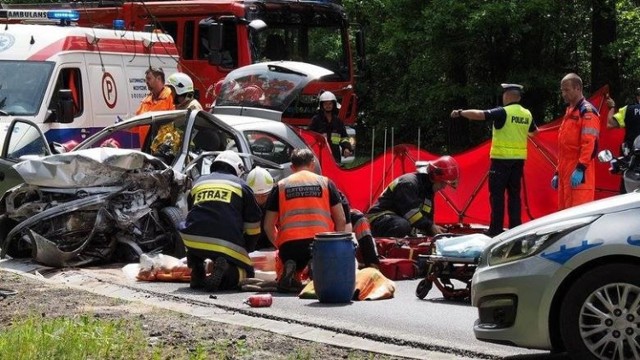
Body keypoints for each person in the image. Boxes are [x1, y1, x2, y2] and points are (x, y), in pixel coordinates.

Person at [450, 83, 535, 237]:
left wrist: (461, 112)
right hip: (518, 162)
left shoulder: (504, 112)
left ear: (508, 96)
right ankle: (516, 228)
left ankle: (496, 230)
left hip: (501, 160)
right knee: (514, 196)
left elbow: (480, 115)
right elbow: (534, 132)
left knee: (497, 195)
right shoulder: (527, 114)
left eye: (504, 94)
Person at [263, 148, 346, 292]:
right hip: (320, 244)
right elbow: (341, 220)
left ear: (292, 167)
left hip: (289, 246)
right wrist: (334, 247)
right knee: (322, 267)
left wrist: (280, 245)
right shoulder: (326, 183)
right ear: (312, 164)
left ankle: (291, 266)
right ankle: (314, 264)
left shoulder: (281, 186)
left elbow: (268, 225)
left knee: (292, 267)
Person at [179, 150, 262, 292]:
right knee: (247, 273)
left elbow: (193, 213)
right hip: (224, 242)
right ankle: (227, 271)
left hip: (192, 239)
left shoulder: (199, 182)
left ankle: (197, 270)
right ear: (238, 168)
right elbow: (253, 226)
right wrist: (245, 250)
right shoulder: (241, 186)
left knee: (195, 226)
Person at [366, 156, 459, 238]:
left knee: (408, 227)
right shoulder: (408, 183)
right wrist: (430, 227)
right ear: (435, 177)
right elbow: (411, 214)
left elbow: (426, 218)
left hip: (394, 219)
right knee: (402, 225)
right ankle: (385, 248)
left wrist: (435, 232)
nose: (444, 187)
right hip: (378, 218)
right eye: (443, 182)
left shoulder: (427, 190)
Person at [553, 73, 600, 210]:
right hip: (566, 172)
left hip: (579, 173)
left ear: (578, 88)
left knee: (578, 216)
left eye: (566, 90)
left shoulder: (587, 112)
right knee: (564, 216)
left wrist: (580, 169)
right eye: (562, 90)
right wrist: (557, 172)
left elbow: (589, 144)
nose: (563, 94)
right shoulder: (570, 112)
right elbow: (564, 147)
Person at [606, 88, 640, 193]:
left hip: (632, 162)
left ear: (638, 97)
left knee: (626, 196)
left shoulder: (629, 109)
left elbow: (610, 124)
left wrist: (611, 107)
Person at [308, 91, 353, 163]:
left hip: (335, 156)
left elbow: (344, 137)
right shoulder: (316, 120)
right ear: (322, 105)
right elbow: (308, 136)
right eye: (325, 104)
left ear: (334, 105)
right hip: (320, 156)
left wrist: (346, 148)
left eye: (330, 103)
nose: (328, 106)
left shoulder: (338, 121)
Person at [246, 166, 275, 250]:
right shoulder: (245, 204)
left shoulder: (276, 200)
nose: (261, 198)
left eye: (265, 195)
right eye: (257, 196)